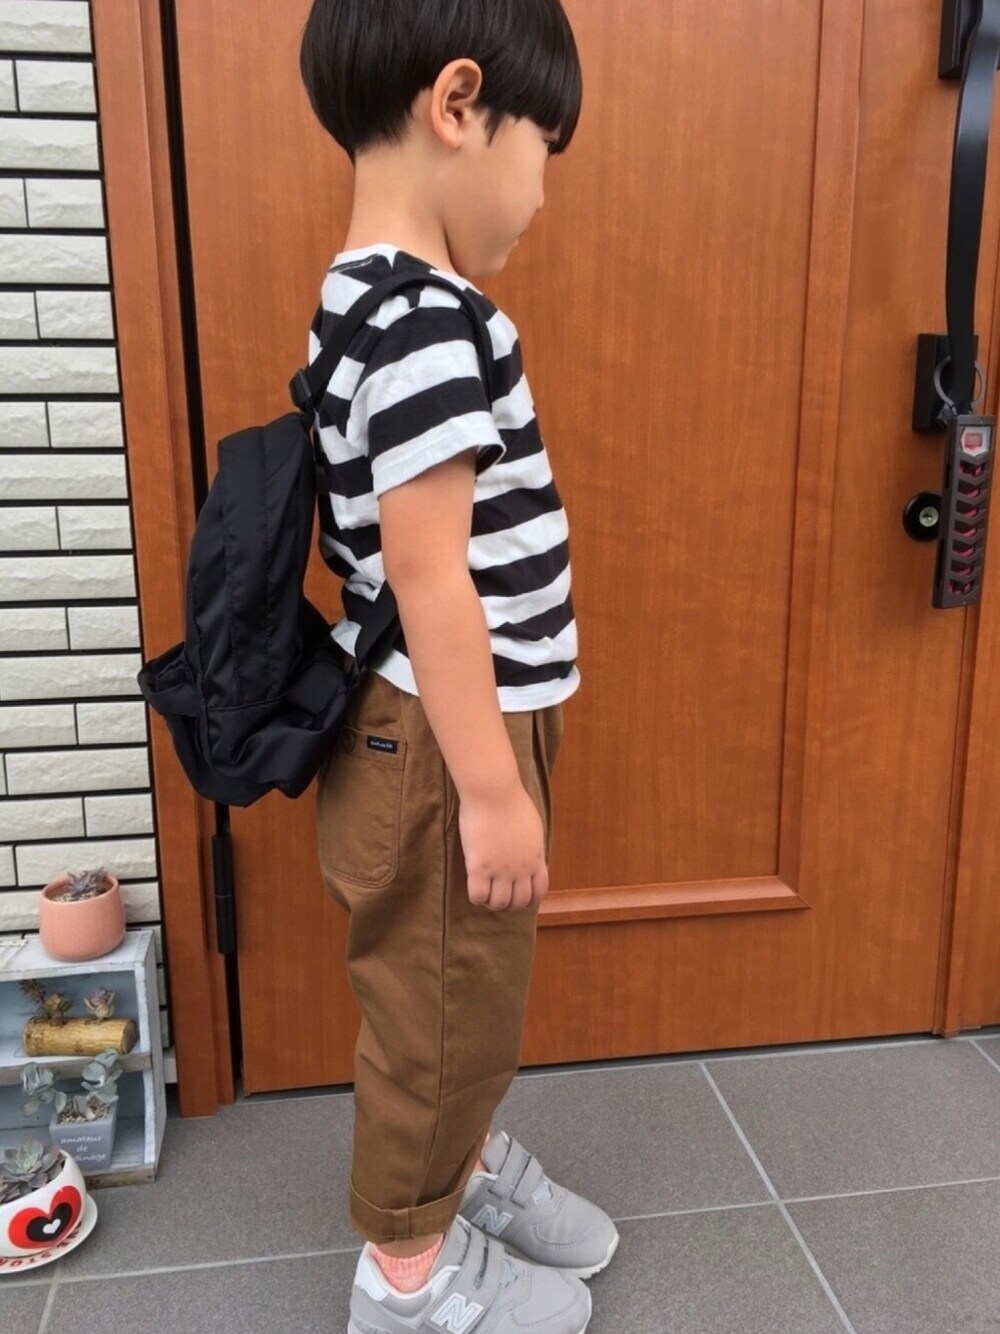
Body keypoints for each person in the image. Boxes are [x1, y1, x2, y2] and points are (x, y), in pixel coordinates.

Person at [299, 3, 618, 1329]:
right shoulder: (428, 319)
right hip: (445, 740)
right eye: (543, 152)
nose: (540, 196)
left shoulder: (365, 297)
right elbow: (430, 576)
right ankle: (407, 1276)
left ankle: (462, 1170)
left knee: (461, 996)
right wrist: (492, 789)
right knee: (436, 1015)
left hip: (446, 723)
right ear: (459, 105)